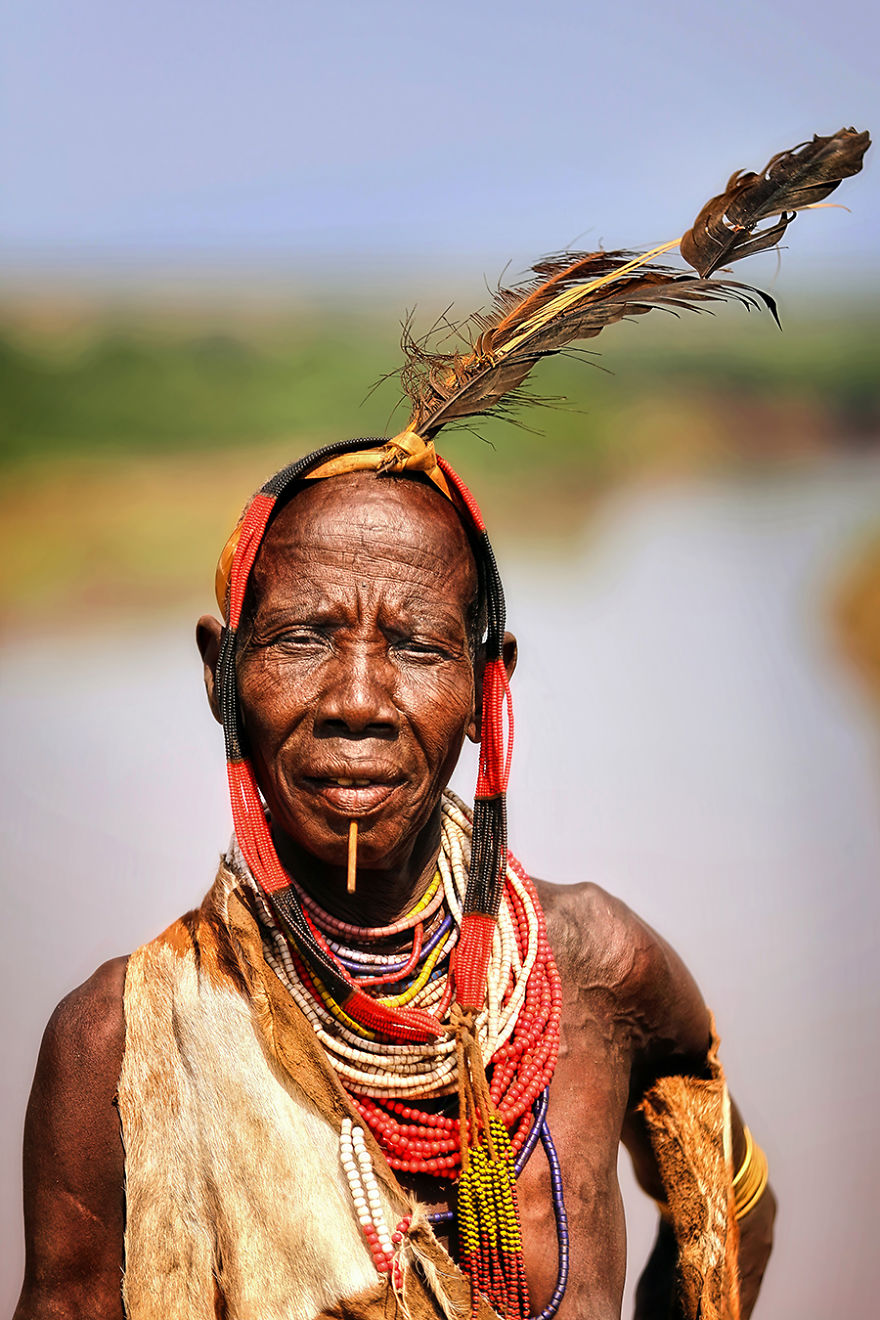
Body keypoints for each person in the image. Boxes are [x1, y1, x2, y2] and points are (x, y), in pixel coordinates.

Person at [14, 127, 870, 1320]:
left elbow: (727, 1213)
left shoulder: (598, 968)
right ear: (221, 674)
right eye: (303, 636)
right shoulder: (117, 1048)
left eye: (414, 646)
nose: (358, 701)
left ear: (487, 687)